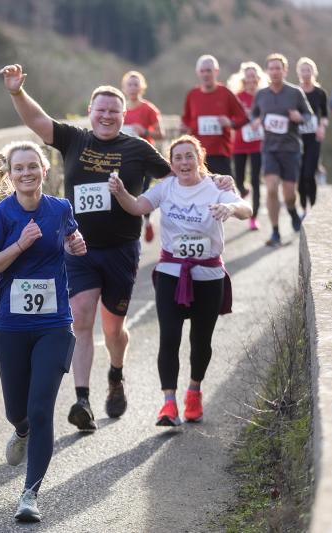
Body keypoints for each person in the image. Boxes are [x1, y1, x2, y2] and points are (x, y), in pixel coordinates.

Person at [0, 63, 172, 432]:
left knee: (114, 330)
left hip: (122, 250)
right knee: (80, 320)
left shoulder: (138, 149)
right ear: (90, 113)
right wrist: (16, 92)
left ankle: (116, 373)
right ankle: (82, 400)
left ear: (124, 115)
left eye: (114, 110)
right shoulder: (74, 139)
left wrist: (211, 184)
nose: (107, 115)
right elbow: (38, 122)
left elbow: (176, 179)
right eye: (101, 109)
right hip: (78, 247)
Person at [0, 141, 86, 522]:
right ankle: (21, 431)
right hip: (12, 327)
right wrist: (19, 244)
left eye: (33, 167)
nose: (27, 173)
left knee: (41, 407)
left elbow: (73, 239)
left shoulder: (61, 209)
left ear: (45, 171)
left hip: (53, 324)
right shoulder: (2, 215)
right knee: (18, 411)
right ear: (10, 174)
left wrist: (76, 245)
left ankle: (30, 493)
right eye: (20, 169)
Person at [106, 136, 251, 426]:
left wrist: (230, 209)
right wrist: (121, 192)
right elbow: (136, 207)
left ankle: (194, 392)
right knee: (169, 338)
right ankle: (168, 404)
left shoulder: (216, 187)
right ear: (171, 164)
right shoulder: (165, 188)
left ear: (200, 158)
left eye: (189, 156)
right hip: (172, 272)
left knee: (201, 340)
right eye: (178, 158)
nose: (184, 163)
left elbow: (245, 208)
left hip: (208, 275)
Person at [251, 53, 313, 246]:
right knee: (270, 189)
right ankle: (276, 231)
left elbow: (309, 115)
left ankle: (293, 212)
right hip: (269, 149)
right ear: (267, 71)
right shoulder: (261, 94)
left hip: (291, 148)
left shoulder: (295, 93)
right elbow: (253, 115)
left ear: (285, 70)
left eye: (279, 68)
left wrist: (299, 117)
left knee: (289, 194)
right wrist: (255, 122)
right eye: (271, 68)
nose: (275, 71)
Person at [181, 55, 249, 178]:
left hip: (220, 153)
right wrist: (184, 128)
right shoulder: (192, 94)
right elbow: (186, 120)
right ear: (198, 73)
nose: (206, 74)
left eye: (209, 71)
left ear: (216, 72)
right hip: (197, 154)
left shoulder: (226, 93)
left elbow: (243, 118)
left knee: (225, 193)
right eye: (202, 71)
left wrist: (230, 123)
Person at [121, 70, 165, 242]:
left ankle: (146, 221)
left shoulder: (148, 109)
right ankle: (130, 230)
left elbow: (161, 134)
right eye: (129, 84)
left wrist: (145, 131)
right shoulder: (119, 109)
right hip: (123, 157)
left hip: (144, 158)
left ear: (142, 88)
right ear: (124, 88)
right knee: (126, 192)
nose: (132, 88)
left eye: (136, 84)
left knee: (143, 193)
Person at [227, 61, 267, 230]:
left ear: (258, 78)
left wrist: (260, 119)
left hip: (258, 144)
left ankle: (254, 216)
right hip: (240, 144)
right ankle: (243, 191)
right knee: (239, 180)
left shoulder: (264, 96)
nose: (251, 79)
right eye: (248, 76)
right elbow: (231, 117)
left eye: (253, 76)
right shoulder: (237, 97)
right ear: (243, 78)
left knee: (256, 180)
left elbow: (271, 114)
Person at [296, 57, 329, 213]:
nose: (305, 73)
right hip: (297, 138)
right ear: (299, 73)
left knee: (310, 173)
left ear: (313, 72)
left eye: (308, 70)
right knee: (301, 175)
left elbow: (325, 115)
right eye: (302, 70)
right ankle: (304, 208)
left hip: (314, 138)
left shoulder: (320, 93)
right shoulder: (295, 92)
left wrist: (322, 127)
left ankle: (314, 205)